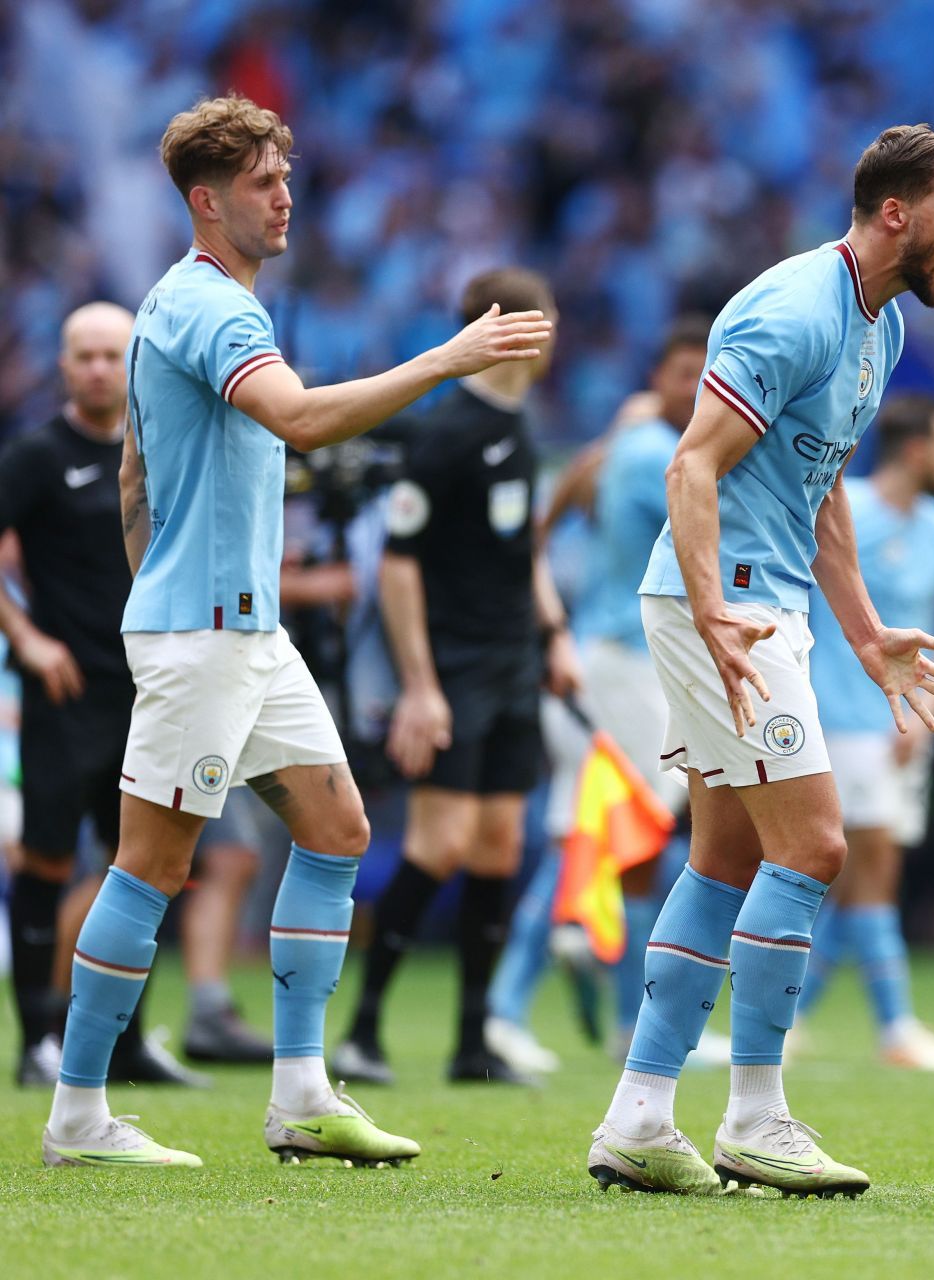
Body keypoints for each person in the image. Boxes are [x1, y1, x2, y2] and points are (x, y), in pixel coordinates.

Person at [41, 94, 549, 1168]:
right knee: (150, 867)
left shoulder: (185, 308)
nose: (285, 197)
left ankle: (304, 1095)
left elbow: (137, 475)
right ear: (205, 199)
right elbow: (305, 417)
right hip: (208, 636)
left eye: (286, 176)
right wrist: (444, 360)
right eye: (263, 182)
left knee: (339, 828)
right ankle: (79, 1112)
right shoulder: (214, 309)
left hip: (242, 632)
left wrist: (159, 599)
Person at [585, 122, 934, 1199]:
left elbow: (822, 499)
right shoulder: (791, 310)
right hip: (729, 610)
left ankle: (638, 1115)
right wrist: (715, 605)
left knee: (723, 856)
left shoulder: (882, 325)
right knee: (812, 848)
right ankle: (759, 1114)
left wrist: (864, 632)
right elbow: (694, 465)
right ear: (895, 212)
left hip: (764, 606)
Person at [332, 267, 578, 1088]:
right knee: (439, 844)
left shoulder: (518, 423)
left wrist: (554, 634)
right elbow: (397, 567)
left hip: (512, 663)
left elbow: (522, 550)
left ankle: (472, 1044)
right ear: (509, 327)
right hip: (455, 668)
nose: (557, 335)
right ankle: (361, 1033)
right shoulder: (445, 433)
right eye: (546, 320)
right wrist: (421, 684)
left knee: (501, 845)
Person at [486, 315, 710, 1074]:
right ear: (658, 380)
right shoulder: (659, 454)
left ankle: (623, 1023)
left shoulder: (629, 446)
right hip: (624, 664)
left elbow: (555, 516)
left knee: (611, 840)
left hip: (601, 656)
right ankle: (544, 970)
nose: (700, 384)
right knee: (628, 827)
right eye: (685, 371)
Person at [0, 302, 213, 1086]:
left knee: (149, 864)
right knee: (49, 862)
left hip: (149, 689)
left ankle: (126, 1045)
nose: (95, 367)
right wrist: (26, 637)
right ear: (62, 366)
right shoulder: (34, 457)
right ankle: (34, 1042)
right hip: (65, 693)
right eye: (81, 354)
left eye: (108, 355)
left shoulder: (161, 452)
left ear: (130, 365)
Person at [796, 394, 934, 1070]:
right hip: (839, 716)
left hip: (908, 728)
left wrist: (928, 714)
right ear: (916, 449)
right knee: (868, 871)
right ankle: (895, 1029)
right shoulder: (849, 514)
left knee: (864, 879)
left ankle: (789, 1020)